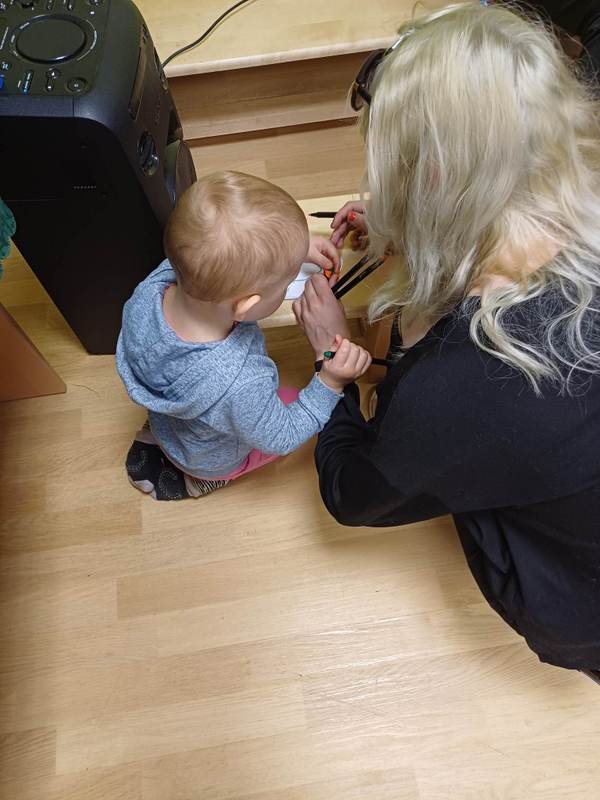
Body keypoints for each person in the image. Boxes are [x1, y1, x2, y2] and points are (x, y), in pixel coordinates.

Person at [294, 3, 600, 674]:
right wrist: (413, 223)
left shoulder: (464, 387)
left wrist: (331, 364)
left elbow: (354, 495)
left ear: (430, 180)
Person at [116, 171, 371, 501]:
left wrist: (289, 253)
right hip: (213, 458)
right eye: (286, 282)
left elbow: (219, 252)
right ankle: (207, 478)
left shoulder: (153, 288)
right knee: (292, 399)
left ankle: (175, 452)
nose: (289, 283)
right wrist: (330, 381)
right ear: (246, 305)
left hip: (171, 423)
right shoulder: (241, 383)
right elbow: (283, 435)